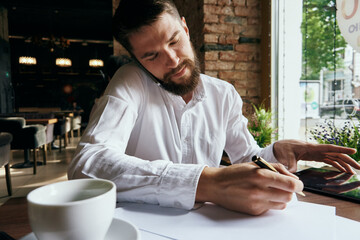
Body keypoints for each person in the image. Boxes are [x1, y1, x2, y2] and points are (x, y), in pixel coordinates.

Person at [68, 0, 360, 215]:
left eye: (174, 40)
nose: (171, 60)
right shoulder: (131, 81)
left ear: (185, 27)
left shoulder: (224, 95)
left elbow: (247, 156)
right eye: (151, 55)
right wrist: (208, 182)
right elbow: (86, 166)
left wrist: (275, 153)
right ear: (136, 60)